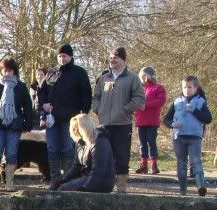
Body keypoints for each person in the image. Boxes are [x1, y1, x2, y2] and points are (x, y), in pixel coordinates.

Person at [37, 44, 92, 184]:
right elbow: (41, 92)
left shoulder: (80, 73)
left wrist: (84, 113)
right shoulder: (50, 73)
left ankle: (68, 181)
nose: (62, 58)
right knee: (52, 149)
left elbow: (86, 94)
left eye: (65, 56)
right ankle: (55, 180)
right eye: (60, 56)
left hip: (71, 119)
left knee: (68, 149)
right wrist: (43, 105)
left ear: (71, 56)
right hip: (52, 119)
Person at [92, 47, 145, 193]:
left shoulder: (132, 78)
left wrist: (125, 109)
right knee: (103, 156)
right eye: (110, 58)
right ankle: (104, 185)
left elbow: (139, 99)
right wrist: (97, 109)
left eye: (115, 57)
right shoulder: (103, 78)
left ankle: (121, 187)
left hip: (122, 124)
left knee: (122, 156)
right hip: (103, 125)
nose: (112, 60)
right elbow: (96, 97)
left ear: (123, 59)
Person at [0, 57, 34, 191]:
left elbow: (27, 106)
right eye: (5, 70)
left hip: (14, 125)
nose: (7, 73)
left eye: (10, 70)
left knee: (12, 152)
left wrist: (28, 124)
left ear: (14, 71)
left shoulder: (21, 86)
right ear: (1, 70)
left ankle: (9, 182)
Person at [163, 75, 212, 196]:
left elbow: (208, 119)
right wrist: (172, 124)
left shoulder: (201, 101)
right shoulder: (177, 101)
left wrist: (195, 110)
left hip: (194, 137)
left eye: (190, 87)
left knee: (196, 161)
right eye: (184, 87)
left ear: (196, 88)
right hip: (179, 137)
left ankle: (201, 186)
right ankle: (183, 190)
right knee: (181, 163)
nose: (187, 89)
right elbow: (166, 119)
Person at [51, 114, 116, 193]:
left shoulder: (100, 142)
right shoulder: (81, 142)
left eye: (77, 129)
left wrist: (85, 188)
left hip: (101, 181)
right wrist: (63, 180)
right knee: (60, 187)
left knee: (64, 189)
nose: (75, 133)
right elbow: (76, 166)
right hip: (86, 177)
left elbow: (98, 171)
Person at [133, 66, 167, 174]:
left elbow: (160, 101)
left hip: (152, 120)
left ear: (148, 75)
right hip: (140, 119)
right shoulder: (139, 88)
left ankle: (154, 164)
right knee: (142, 143)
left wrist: (145, 105)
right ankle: (143, 164)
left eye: (143, 75)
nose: (141, 77)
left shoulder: (159, 88)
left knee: (151, 142)